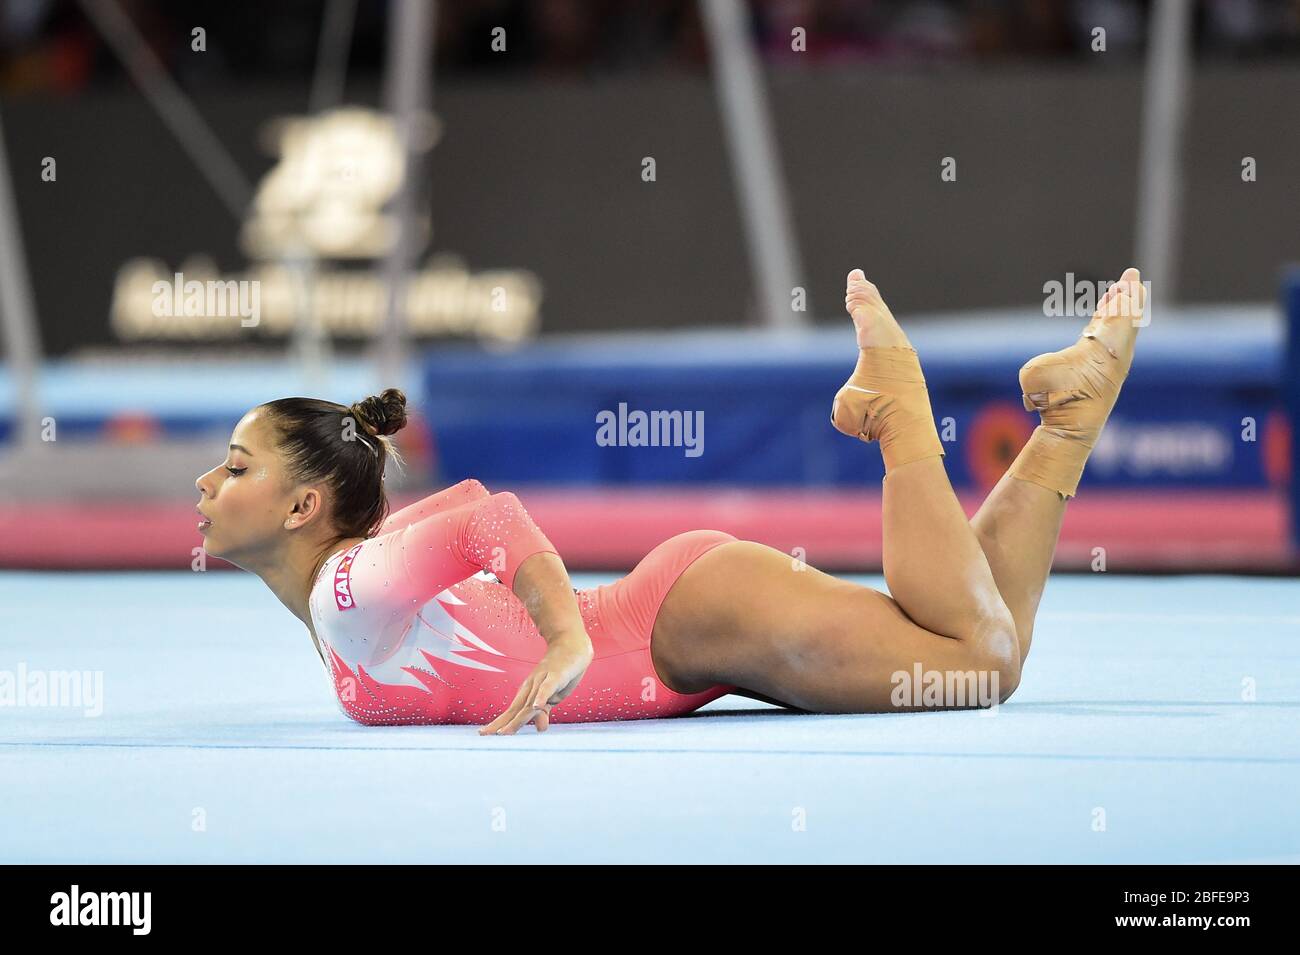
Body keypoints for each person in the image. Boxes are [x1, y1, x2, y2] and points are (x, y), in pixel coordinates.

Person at [194, 267, 1144, 734]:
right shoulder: (359, 587)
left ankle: (899, 413)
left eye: (236, 466)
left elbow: (492, 515)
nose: (206, 482)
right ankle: (1069, 420)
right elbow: (472, 503)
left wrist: (566, 637)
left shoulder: (344, 591)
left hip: (687, 625)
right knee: (983, 649)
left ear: (302, 507)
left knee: (978, 664)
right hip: (690, 622)